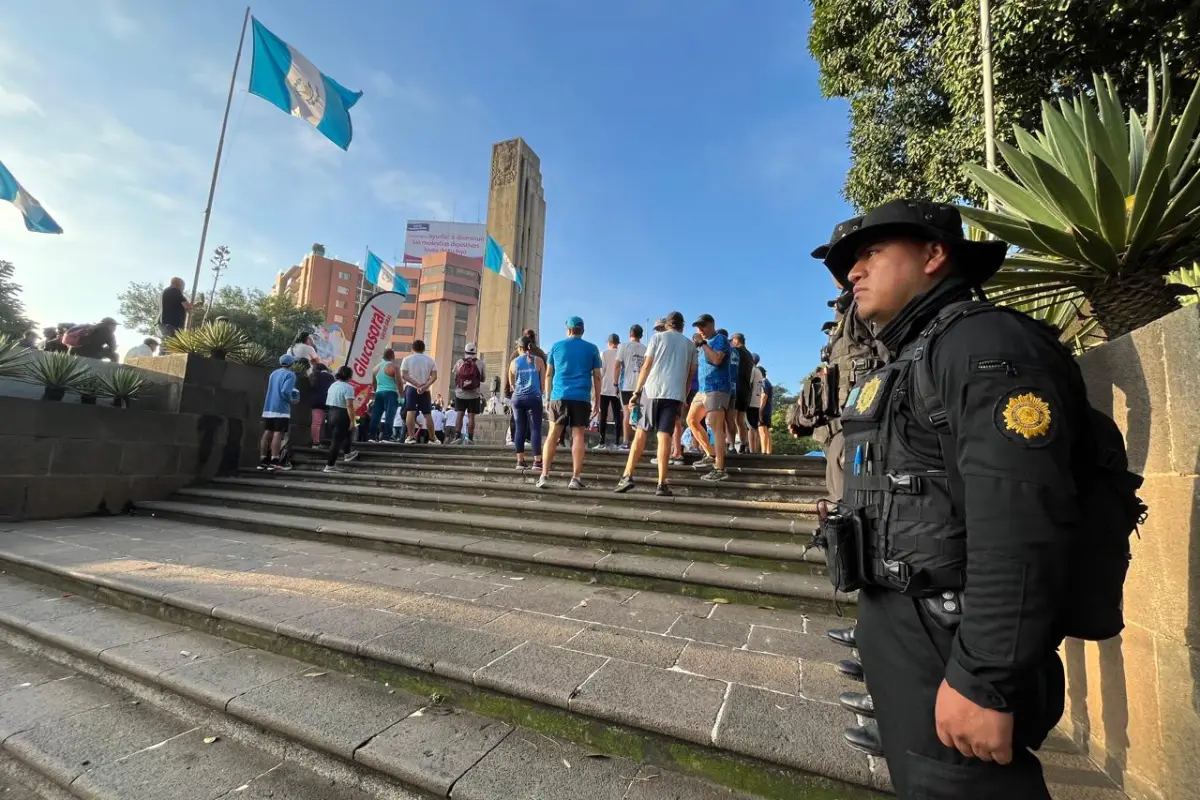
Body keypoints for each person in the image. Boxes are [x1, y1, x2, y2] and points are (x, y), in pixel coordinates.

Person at [813, 199, 1086, 799]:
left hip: (951, 634)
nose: (851, 274)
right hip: (909, 625)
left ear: (935, 254)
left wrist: (984, 679)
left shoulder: (982, 343)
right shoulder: (915, 353)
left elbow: (1018, 518)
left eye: (869, 254)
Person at [614, 311, 695, 496]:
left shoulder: (658, 338)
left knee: (641, 433)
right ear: (682, 326)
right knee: (664, 436)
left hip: (652, 390)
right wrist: (683, 397)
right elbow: (690, 375)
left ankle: (627, 476)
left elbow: (647, 365)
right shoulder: (690, 345)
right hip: (674, 394)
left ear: (668, 324)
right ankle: (661, 483)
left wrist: (636, 392)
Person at [537, 316, 602, 490]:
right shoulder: (592, 349)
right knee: (578, 436)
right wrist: (597, 400)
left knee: (553, 434)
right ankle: (575, 477)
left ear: (568, 330)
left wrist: (547, 397)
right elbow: (597, 376)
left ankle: (544, 474)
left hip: (559, 396)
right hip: (581, 397)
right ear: (583, 330)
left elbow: (549, 374)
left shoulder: (556, 347)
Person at [685, 314, 731, 482]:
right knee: (691, 420)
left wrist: (703, 344)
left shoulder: (720, 339)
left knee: (715, 425)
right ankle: (710, 454)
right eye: (698, 327)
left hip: (718, 387)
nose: (700, 330)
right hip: (703, 389)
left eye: (703, 326)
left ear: (712, 324)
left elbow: (717, 359)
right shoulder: (701, 345)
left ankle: (720, 468)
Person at [258, 353, 301, 471]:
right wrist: (292, 400)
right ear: (291, 364)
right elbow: (285, 391)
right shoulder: (290, 375)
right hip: (281, 408)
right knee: (278, 433)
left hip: (269, 407)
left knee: (267, 432)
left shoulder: (274, 373)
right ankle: (274, 460)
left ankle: (263, 460)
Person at [509, 335, 546, 470]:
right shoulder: (539, 361)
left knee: (520, 428)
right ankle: (537, 462)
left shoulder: (513, 363)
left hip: (518, 398)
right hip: (534, 397)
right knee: (535, 428)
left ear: (519, 348)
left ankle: (520, 461)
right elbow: (543, 383)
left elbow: (511, 384)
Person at [323, 366, 360, 473]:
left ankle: (348, 453)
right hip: (342, 413)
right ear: (349, 376)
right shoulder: (348, 387)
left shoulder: (333, 385)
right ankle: (330, 465)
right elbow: (349, 406)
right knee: (336, 441)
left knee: (346, 433)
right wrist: (353, 421)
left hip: (331, 413)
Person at [400, 339, 437, 444]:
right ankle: (433, 438)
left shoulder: (407, 359)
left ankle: (411, 437)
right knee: (427, 413)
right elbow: (434, 376)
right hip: (425, 390)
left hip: (411, 388)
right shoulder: (430, 360)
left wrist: (417, 385)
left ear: (413, 348)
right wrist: (425, 386)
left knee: (410, 411)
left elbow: (404, 375)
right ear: (424, 348)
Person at [616, 324, 647, 448]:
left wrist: (615, 383)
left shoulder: (623, 346)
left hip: (626, 385)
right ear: (641, 335)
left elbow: (617, 365)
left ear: (630, 334)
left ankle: (626, 442)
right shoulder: (645, 348)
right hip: (641, 386)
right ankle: (638, 442)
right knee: (640, 414)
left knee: (626, 413)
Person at [450, 343, 485, 444]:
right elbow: (483, 379)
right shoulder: (480, 363)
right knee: (471, 417)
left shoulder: (459, 362)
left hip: (460, 393)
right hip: (474, 394)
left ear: (465, 351)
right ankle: (470, 438)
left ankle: (457, 437)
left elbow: (455, 376)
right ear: (475, 351)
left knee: (459, 415)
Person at [729, 333, 755, 453]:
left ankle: (731, 445)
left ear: (736, 340)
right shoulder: (750, 355)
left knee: (731, 418)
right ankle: (743, 445)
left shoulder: (735, 351)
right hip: (746, 390)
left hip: (736, 387)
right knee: (740, 420)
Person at [368, 348, 401, 443]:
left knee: (376, 415)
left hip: (378, 393)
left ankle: (372, 436)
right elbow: (399, 383)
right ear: (393, 357)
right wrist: (402, 395)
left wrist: (377, 392)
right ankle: (386, 437)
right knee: (389, 415)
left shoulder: (375, 368)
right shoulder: (394, 367)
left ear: (383, 356)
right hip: (391, 393)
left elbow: (374, 384)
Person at [596, 334, 622, 451]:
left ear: (609, 343)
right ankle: (617, 442)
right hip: (618, 389)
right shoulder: (621, 353)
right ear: (618, 342)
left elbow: (601, 372)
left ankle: (601, 442)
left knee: (603, 416)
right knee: (618, 416)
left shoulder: (604, 353)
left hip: (605, 389)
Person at [309, 362, 335, 447]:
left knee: (316, 423)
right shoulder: (330, 376)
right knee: (324, 423)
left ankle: (315, 442)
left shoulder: (313, 376)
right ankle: (323, 440)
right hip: (328, 402)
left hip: (316, 403)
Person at [159, 277, 191, 343]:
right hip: (172, 325)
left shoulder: (165, 292)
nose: (183, 289)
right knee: (171, 347)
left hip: (164, 324)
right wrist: (197, 305)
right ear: (177, 284)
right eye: (183, 286)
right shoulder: (175, 291)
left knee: (166, 345)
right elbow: (187, 307)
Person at [747, 353, 765, 453]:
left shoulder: (752, 370)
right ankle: (756, 450)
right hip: (757, 402)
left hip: (750, 401)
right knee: (755, 427)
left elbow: (748, 384)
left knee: (750, 427)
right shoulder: (759, 372)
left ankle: (751, 450)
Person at [757, 366, 774, 455]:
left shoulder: (763, 382)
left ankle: (763, 453)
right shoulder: (768, 383)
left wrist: (760, 408)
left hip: (763, 409)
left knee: (762, 430)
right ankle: (768, 452)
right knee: (766, 431)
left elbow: (764, 395)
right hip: (768, 409)